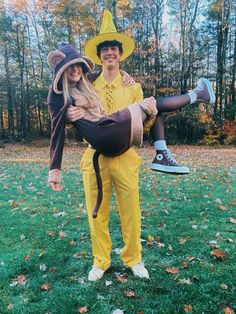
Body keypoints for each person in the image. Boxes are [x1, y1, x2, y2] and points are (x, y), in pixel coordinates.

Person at [50, 10, 215, 282]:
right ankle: (100, 261)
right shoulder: (86, 83)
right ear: (99, 56)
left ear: (120, 54)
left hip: (126, 157)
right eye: (105, 50)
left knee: (131, 212)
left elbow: (146, 122)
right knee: (97, 213)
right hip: (95, 157)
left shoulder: (134, 86)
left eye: (114, 49)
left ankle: (133, 259)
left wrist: (149, 117)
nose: (110, 54)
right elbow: (64, 114)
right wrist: (67, 116)